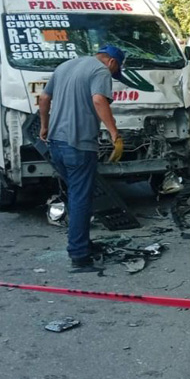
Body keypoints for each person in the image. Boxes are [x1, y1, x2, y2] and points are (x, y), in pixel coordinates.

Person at [38, 46, 125, 269]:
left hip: (56, 143)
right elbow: (98, 100)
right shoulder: (101, 71)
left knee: (77, 194)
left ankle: (83, 244)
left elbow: (44, 97)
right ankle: (78, 254)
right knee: (80, 198)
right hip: (79, 145)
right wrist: (114, 133)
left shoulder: (65, 66)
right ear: (112, 62)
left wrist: (44, 126)